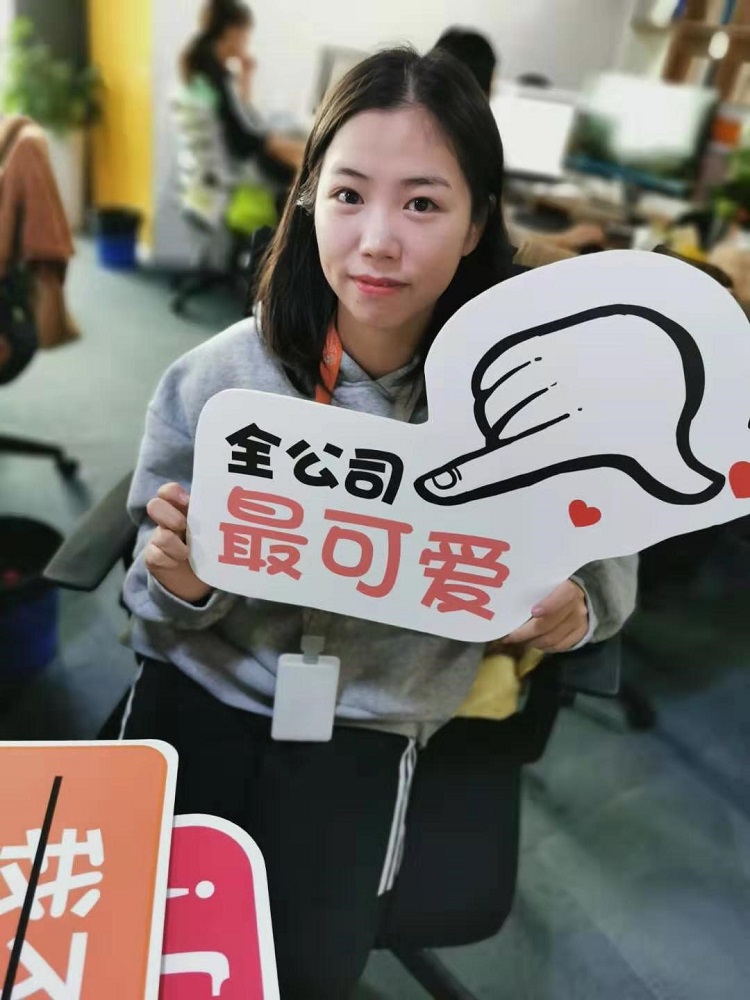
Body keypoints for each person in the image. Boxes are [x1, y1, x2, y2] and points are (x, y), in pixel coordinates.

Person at [120, 47, 637, 998]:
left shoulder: (532, 404)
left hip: (371, 720)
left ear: (478, 221)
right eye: (349, 195)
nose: (378, 241)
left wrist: (577, 609)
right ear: (309, 199)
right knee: (139, 949)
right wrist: (181, 585)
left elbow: (606, 566)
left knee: (305, 969)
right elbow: (142, 591)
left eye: (423, 203)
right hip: (200, 685)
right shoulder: (220, 380)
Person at [434, 26, 606, 254]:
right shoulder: (465, 153)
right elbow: (508, 246)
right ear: (479, 90)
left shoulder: (430, 135)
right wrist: (568, 242)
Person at [179, 0, 304, 207]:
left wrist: (246, 79)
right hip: (239, 171)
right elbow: (241, 140)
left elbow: (239, 120)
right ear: (232, 31)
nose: (247, 41)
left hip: (231, 163)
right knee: (307, 163)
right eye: (246, 34)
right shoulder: (214, 79)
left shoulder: (207, 71)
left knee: (301, 148)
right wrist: (281, 145)